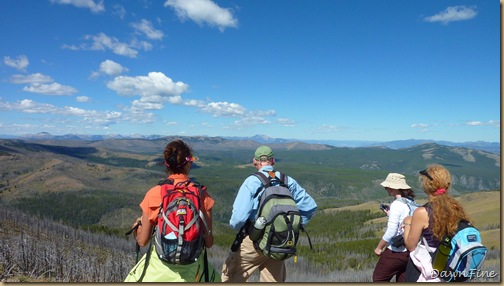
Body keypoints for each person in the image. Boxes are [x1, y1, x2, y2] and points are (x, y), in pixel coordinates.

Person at [124, 139, 220, 282]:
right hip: (193, 271)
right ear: (188, 164)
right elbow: (209, 243)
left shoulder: (155, 194)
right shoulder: (202, 195)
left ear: (167, 164)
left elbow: (143, 241)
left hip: (158, 272)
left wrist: (138, 230)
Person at [221, 145, 318, 282]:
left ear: (255, 161)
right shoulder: (287, 181)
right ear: (273, 161)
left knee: (230, 278)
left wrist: (242, 230)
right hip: (279, 240)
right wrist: (290, 225)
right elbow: (310, 206)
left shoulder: (252, 182)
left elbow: (238, 218)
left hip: (254, 239)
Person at [402, 164, 472, 282]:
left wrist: (408, 224)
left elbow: (410, 245)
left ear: (427, 186)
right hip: (451, 266)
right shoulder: (456, 208)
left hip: (432, 269)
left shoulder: (422, 212)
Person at [372, 173, 417, 282]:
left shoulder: (397, 204)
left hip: (397, 250)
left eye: (387, 187)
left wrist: (379, 247)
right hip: (410, 251)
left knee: (379, 278)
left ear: (393, 188)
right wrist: (390, 214)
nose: (385, 188)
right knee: (402, 279)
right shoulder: (412, 203)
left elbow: (391, 231)